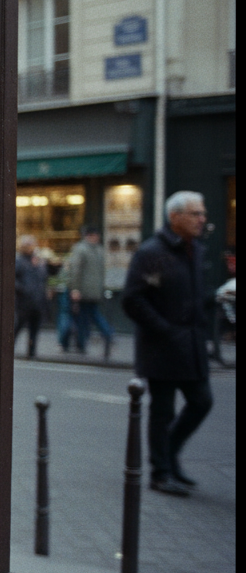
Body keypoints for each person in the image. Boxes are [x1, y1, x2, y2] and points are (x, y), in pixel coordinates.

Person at [122, 191, 214, 497]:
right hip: (162, 347)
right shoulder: (152, 252)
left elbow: (194, 296)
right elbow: (132, 299)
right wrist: (165, 329)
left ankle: (170, 455)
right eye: (195, 214)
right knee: (162, 411)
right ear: (175, 217)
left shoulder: (196, 250)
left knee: (202, 401)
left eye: (202, 214)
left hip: (192, 346)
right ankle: (160, 473)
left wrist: (217, 299)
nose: (202, 219)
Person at [66, 225, 115, 358]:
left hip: (83, 290)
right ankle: (107, 334)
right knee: (93, 315)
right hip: (95, 291)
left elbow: (75, 270)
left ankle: (85, 342)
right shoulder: (99, 250)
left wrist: (75, 288)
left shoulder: (80, 249)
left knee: (83, 318)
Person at [14, 235, 47, 358]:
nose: (31, 248)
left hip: (37, 301)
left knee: (34, 328)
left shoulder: (37, 261)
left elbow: (43, 277)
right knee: (18, 326)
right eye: (28, 245)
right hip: (24, 301)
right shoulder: (19, 260)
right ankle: (8, 350)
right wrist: (22, 290)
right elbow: (13, 279)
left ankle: (31, 352)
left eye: (32, 245)